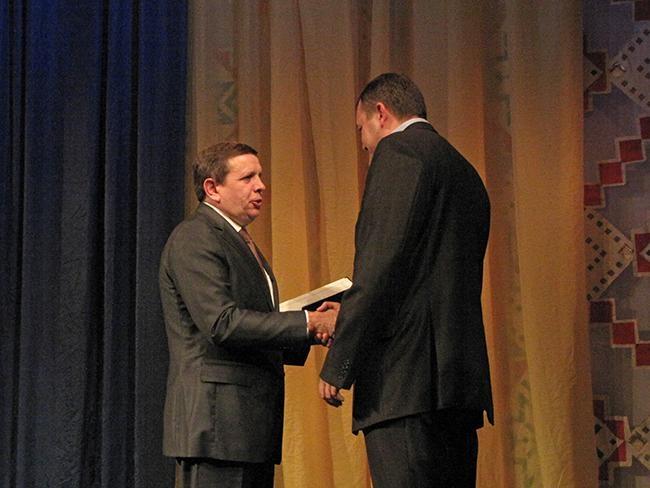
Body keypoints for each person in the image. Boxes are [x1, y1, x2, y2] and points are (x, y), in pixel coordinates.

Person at [318, 73, 493, 487]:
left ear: (381, 113)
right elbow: (426, 277)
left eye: (361, 130)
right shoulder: (464, 170)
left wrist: (340, 362)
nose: (364, 145)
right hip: (456, 386)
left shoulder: (398, 152)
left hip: (405, 383)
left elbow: (380, 266)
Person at [159, 141, 337, 488]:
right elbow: (222, 323)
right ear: (212, 188)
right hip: (217, 427)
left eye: (260, 176)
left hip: (246, 427)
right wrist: (307, 323)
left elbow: (252, 325)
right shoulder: (195, 237)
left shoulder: (237, 239)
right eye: (247, 178)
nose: (261, 186)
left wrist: (312, 328)